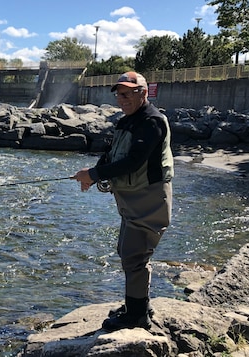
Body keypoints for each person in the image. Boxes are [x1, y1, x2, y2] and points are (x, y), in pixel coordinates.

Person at [74, 71, 174, 331]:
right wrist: (92, 175)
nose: (124, 98)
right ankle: (137, 304)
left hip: (149, 199)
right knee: (129, 252)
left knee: (134, 255)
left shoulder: (152, 121)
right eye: (120, 94)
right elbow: (111, 154)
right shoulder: (128, 121)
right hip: (131, 199)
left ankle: (137, 315)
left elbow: (134, 162)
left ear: (143, 92)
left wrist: (94, 175)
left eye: (129, 92)